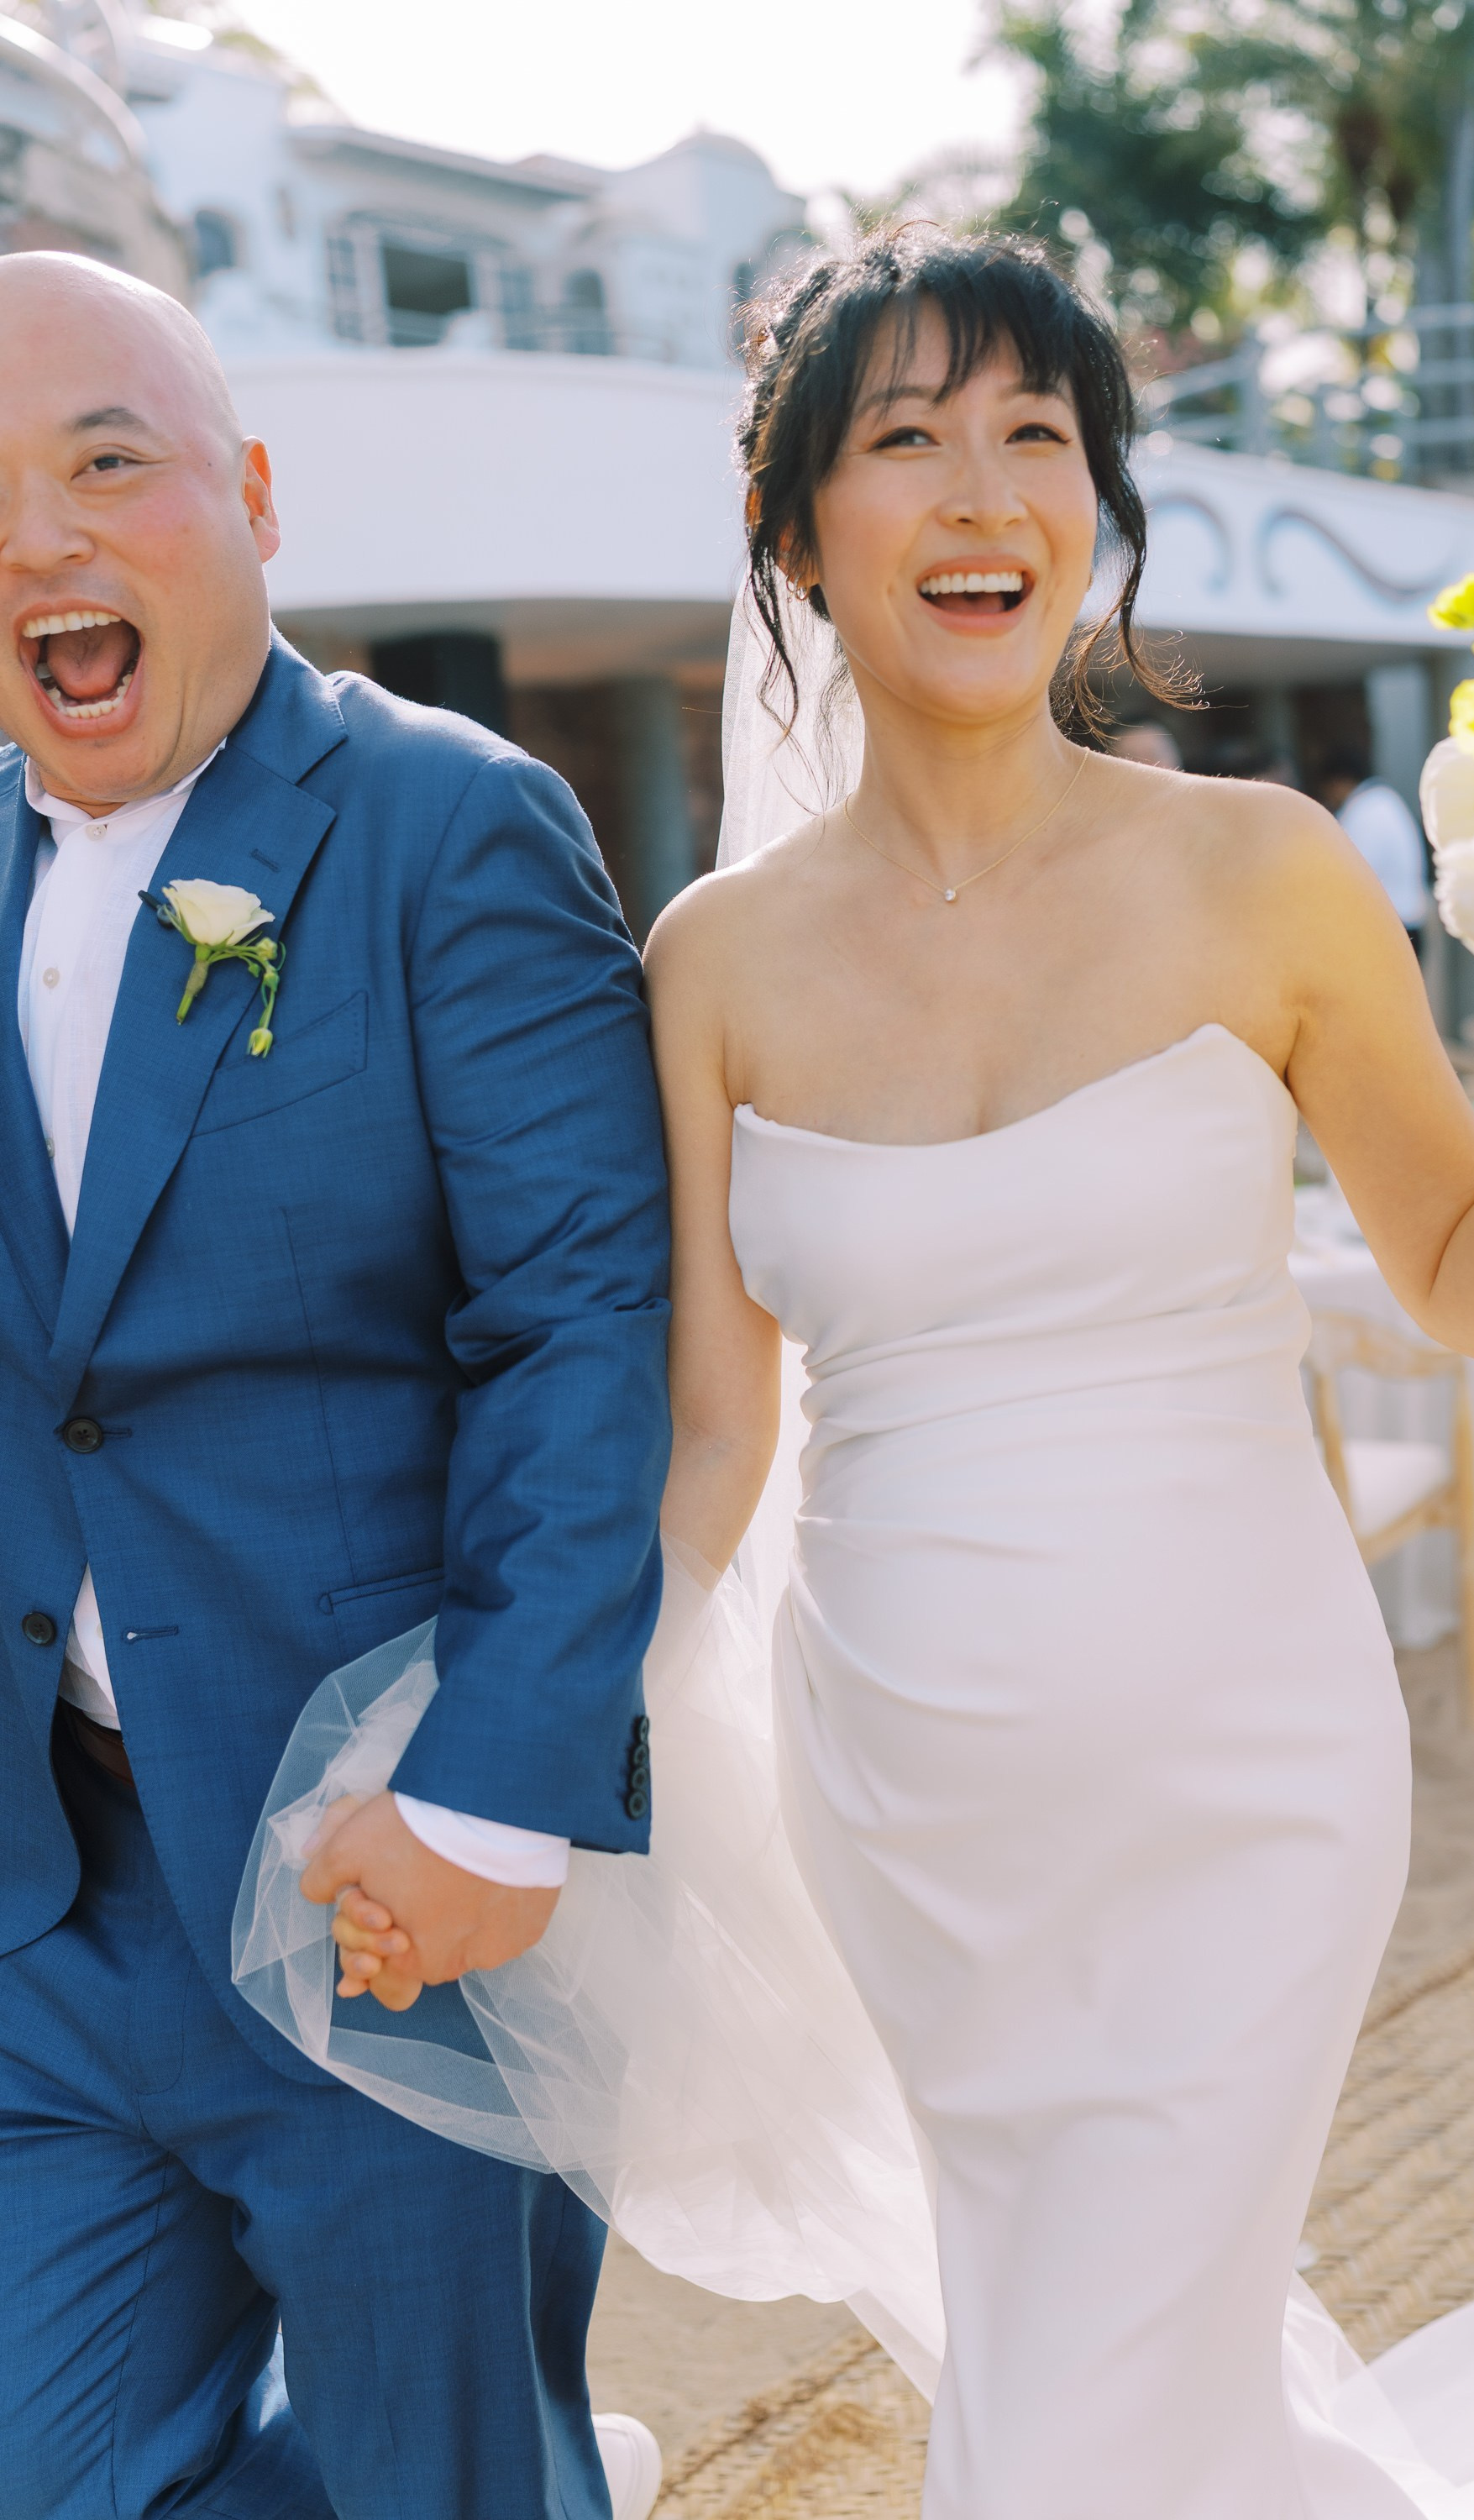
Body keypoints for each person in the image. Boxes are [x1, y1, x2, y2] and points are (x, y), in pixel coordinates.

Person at [308, 228, 1474, 2516]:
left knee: (1069, 2416)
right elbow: (719, 1441)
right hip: (919, 1806)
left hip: (1248, 1771)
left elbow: (1449, 1271)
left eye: (1039, 435)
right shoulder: (712, 961)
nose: (985, 492)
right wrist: (509, 1758)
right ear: (795, 534)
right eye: (908, 439)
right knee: (1105, 2364)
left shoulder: (1260, 875)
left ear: (1100, 506)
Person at [0, 255, 667, 2520]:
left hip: (369, 1892)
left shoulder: (443, 826)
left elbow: (576, 1318)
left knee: (442, 2487)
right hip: (43, 1908)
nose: (40, 546)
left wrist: (494, 1799)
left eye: (106, 465)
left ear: (254, 495)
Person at [1319, 741, 1430, 953]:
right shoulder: (1385, 801)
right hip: (1409, 922)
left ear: (1338, 782)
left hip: (1390, 930)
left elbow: (1347, 876)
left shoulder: (1363, 811)